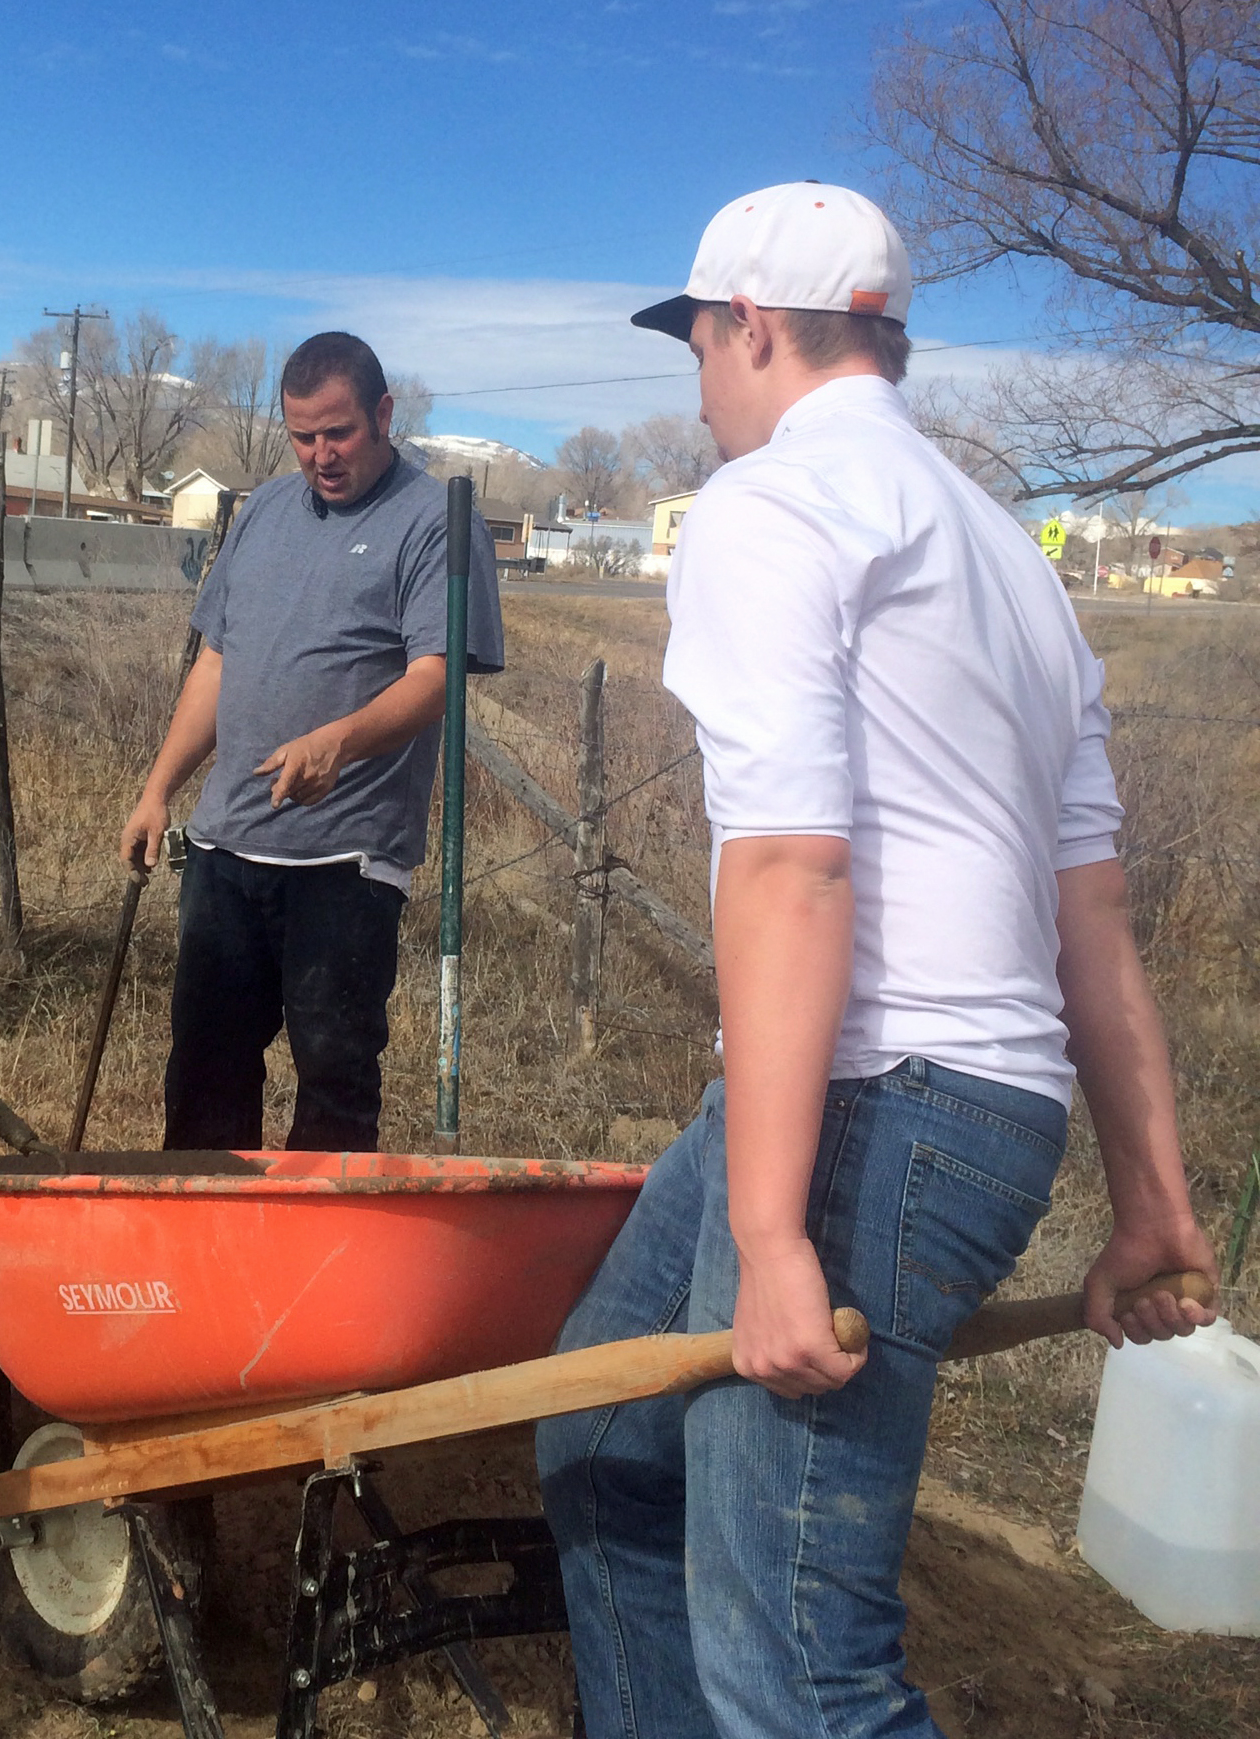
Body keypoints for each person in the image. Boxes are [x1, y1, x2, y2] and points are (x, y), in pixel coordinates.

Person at [534, 182, 1218, 1738]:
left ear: (750, 328)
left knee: (796, 1663)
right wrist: (1150, 1204)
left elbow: (789, 863)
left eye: (695, 343)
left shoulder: (770, 507)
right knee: (605, 1433)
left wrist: (773, 1234)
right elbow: (1087, 915)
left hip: (876, 1104)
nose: (694, 384)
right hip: (966, 1106)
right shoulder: (1005, 558)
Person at [120, 331, 503, 1153]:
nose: (320, 455)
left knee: (332, 1077)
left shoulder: (434, 519)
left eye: (338, 433)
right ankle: (208, 1258)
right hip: (227, 847)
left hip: (346, 862)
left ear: (383, 414)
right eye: (302, 436)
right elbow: (215, 663)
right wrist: (158, 790)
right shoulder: (259, 511)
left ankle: (315, 1271)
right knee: (204, 1071)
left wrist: (339, 742)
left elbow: (435, 675)